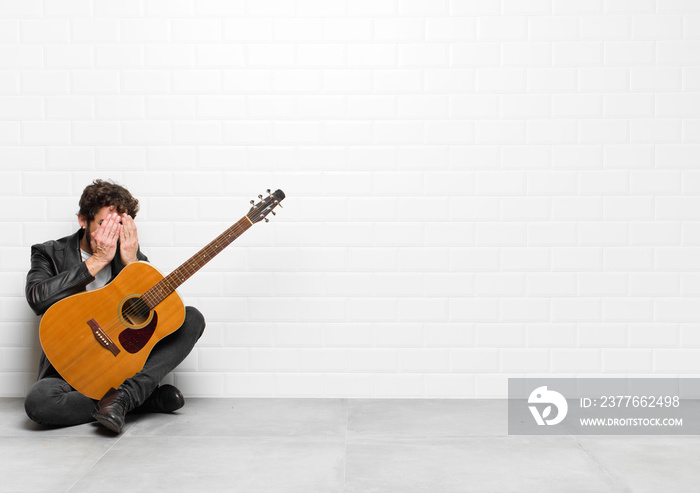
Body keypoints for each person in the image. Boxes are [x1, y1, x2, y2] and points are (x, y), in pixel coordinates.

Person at [24, 179, 205, 433]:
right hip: (69, 366)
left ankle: (125, 396)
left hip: (118, 366)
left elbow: (164, 316)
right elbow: (36, 298)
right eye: (103, 224)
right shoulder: (49, 252)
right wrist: (97, 261)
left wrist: (131, 262)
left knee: (191, 318)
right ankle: (137, 400)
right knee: (39, 403)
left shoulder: (130, 255)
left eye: (119, 226)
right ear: (83, 221)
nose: (112, 233)